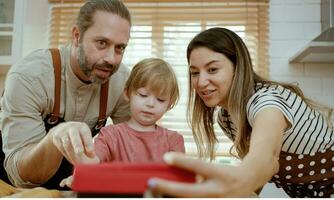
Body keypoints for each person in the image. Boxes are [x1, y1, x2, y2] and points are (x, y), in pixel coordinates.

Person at [147, 27, 334, 198]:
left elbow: (266, 159)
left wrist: (235, 183)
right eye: (194, 72)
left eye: (212, 69)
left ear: (238, 68)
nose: (201, 82)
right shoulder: (226, 118)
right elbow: (255, 169)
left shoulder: (267, 102)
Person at [0, 0, 132, 189]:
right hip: (10, 187)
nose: (111, 59)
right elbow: (21, 175)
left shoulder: (121, 82)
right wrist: (55, 137)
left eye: (120, 48)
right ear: (77, 36)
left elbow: (137, 141)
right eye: (102, 43)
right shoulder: (29, 77)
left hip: (65, 186)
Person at [59, 58, 185, 188]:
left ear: (169, 105)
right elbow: (93, 161)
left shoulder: (173, 140)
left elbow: (180, 181)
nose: (150, 104)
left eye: (160, 99)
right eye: (142, 95)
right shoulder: (110, 135)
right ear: (127, 93)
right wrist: (81, 174)